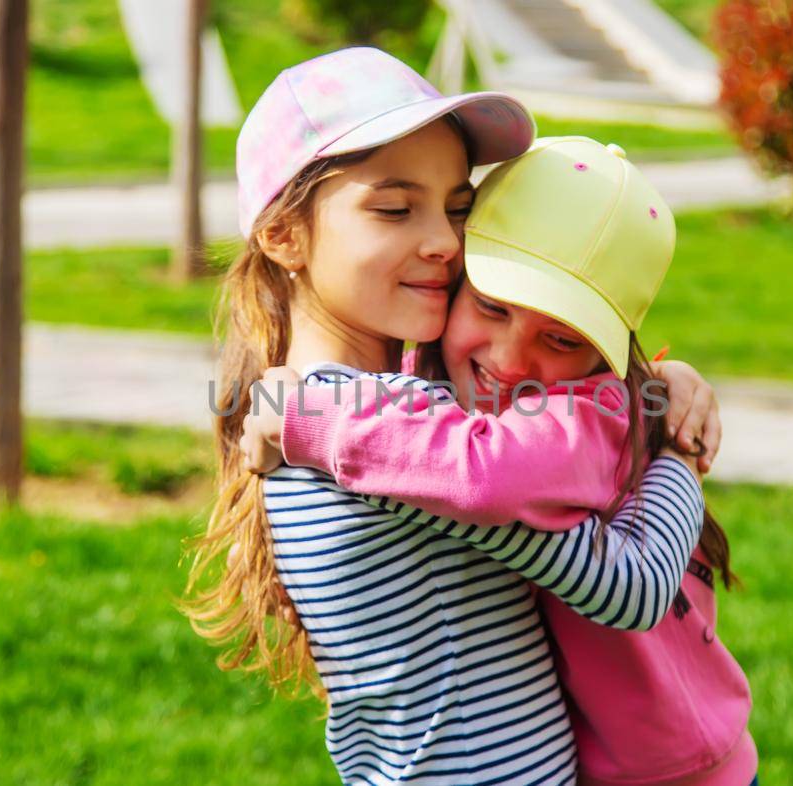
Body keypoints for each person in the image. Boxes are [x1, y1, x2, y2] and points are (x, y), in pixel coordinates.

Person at [185, 48, 710, 784]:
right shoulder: (392, 443)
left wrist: (656, 386)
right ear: (282, 235)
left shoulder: (340, 408)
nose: (444, 242)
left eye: (457, 207)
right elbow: (632, 583)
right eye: (395, 208)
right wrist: (677, 456)